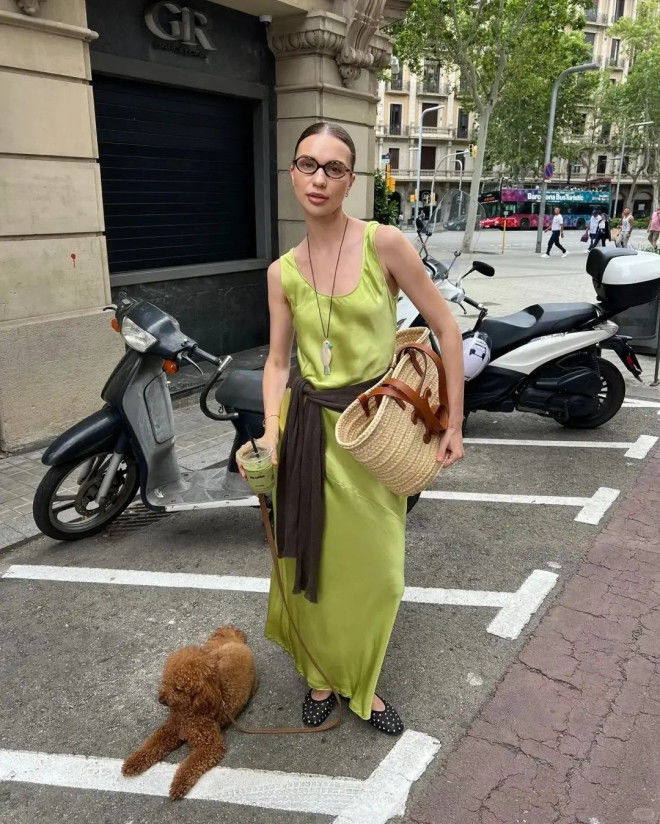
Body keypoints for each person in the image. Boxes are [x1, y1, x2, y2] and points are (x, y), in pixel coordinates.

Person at [240, 122, 465, 735]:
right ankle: (323, 676)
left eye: (334, 168)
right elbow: (279, 363)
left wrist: (453, 419)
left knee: (381, 574)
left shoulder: (382, 244)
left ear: (351, 180)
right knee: (312, 562)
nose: (319, 179)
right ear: (292, 173)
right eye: (308, 165)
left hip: (375, 432)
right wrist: (271, 433)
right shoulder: (281, 272)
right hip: (308, 434)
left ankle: (361, 678)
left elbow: (446, 328)